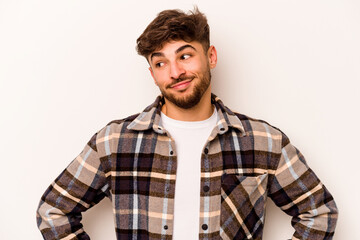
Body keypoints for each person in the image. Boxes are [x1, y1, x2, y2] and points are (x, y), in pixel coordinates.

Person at [36, 7, 338, 240]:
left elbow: (319, 212)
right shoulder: (115, 141)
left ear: (211, 56)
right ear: (153, 74)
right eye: (160, 62)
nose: (175, 72)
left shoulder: (263, 141)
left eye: (185, 55)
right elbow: (54, 211)